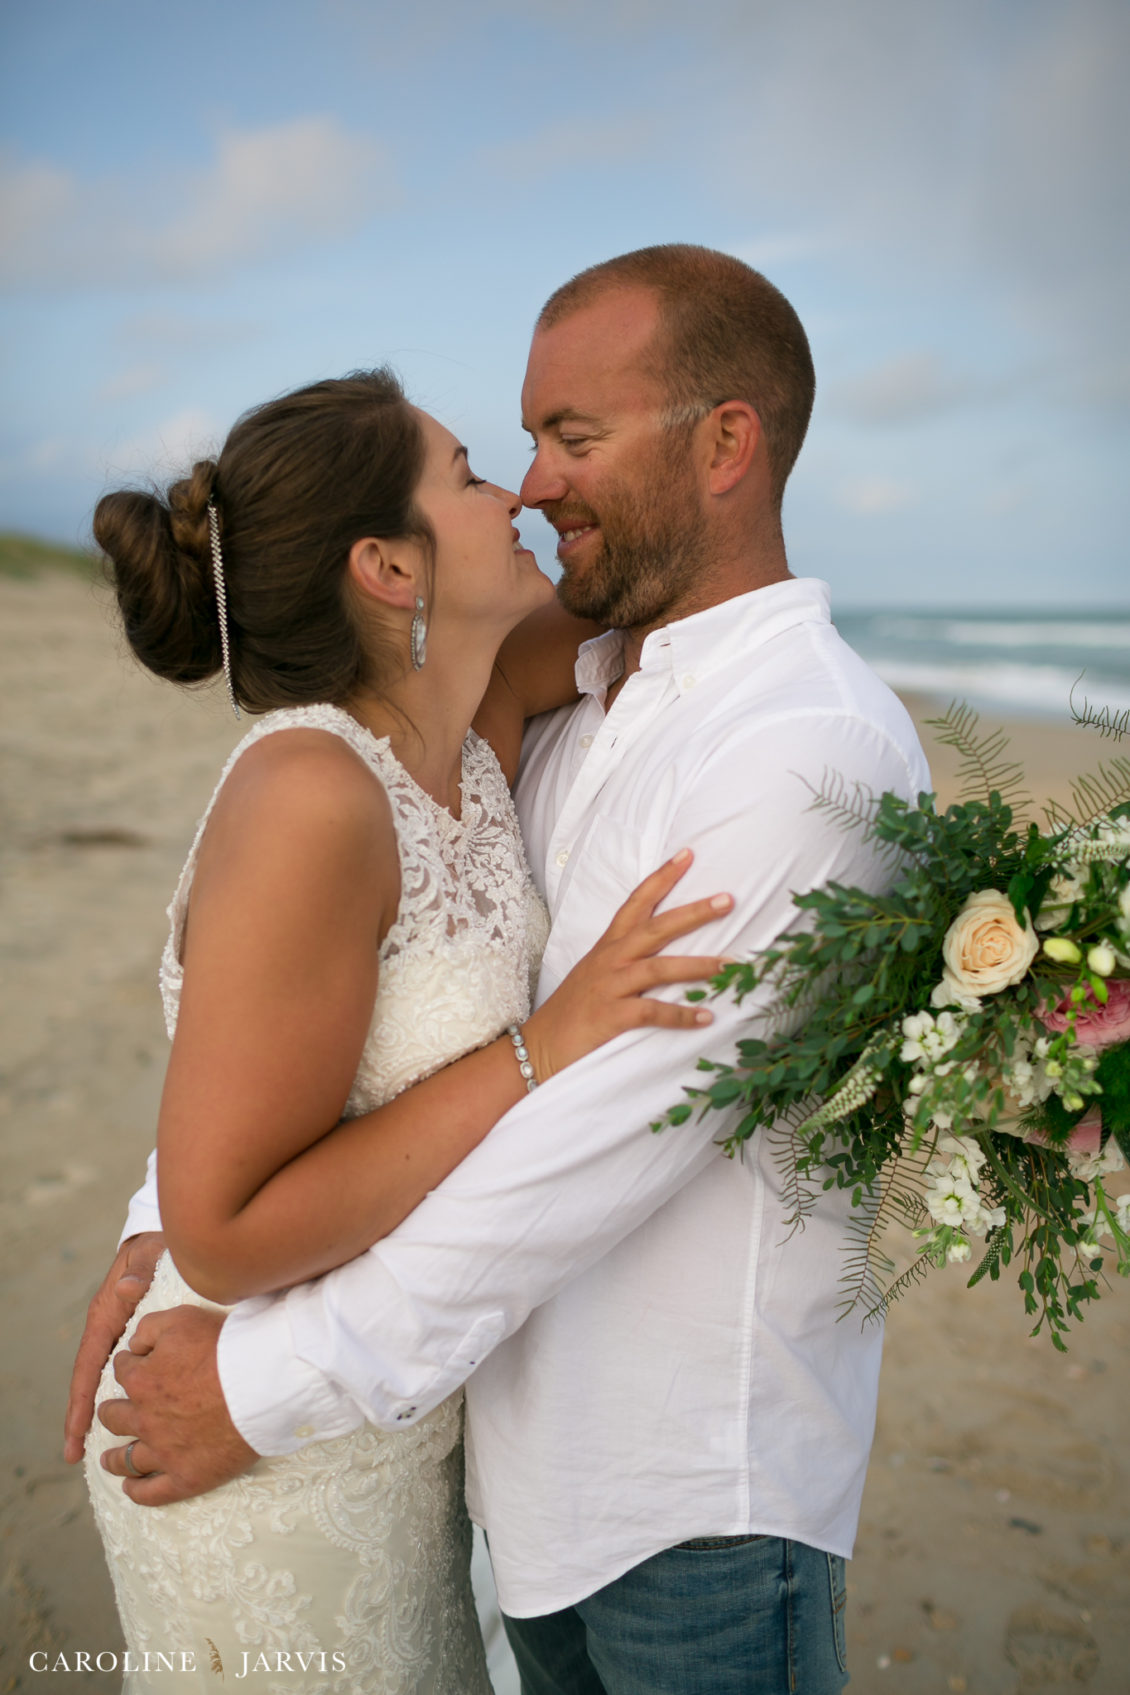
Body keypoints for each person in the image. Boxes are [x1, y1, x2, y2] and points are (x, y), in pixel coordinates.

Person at [70, 246, 932, 1694]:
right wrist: (170, 1214)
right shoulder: (555, 696)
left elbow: (597, 1145)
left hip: (680, 1497)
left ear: (727, 442)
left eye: (565, 440)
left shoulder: (791, 748)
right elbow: (314, 1029)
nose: (529, 486)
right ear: (386, 567)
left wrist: (264, 1381)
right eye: (504, 454)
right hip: (489, 1466)